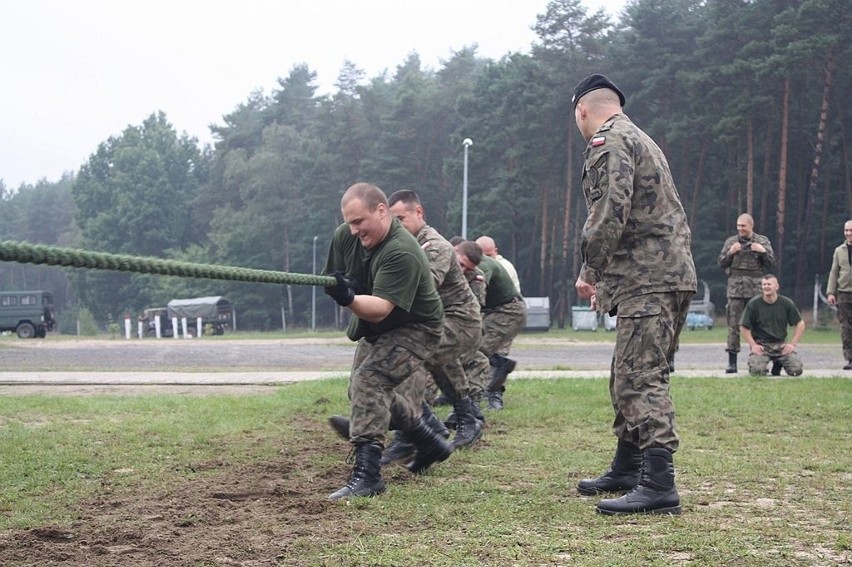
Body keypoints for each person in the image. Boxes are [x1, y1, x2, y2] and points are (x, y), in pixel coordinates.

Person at [571, 73, 696, 516]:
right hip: (661, 274)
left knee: (640, 378)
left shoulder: (611, 141)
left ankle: (659, 485)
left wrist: (591, 269)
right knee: (628, 372)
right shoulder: (640, 137)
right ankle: (628, 467)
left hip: (649, 278)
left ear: (582, 110)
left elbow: (609, 212)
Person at [322, 182, 453, 502]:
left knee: (370, 381)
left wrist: (348, 297)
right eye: (348, 222)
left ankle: (368, 476)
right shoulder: (345, 237)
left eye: (359, 222)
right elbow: (336, 277)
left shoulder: (402, 250)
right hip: (378, 328)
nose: (353, 231)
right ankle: (428, 441)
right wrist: (340, 287)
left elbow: (380, 309)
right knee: (361, 391)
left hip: (417, 327)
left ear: (382, 211)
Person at [386, 189, 484, 453]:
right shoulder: (403, 245)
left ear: (419, 213)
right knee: (433, 360)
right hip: (437, 320)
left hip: (461, 321)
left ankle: (412, 429)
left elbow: (421, 288)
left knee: (412, 355)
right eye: (392, 221)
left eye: (401, 218)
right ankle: (458, 419)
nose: (398, 226)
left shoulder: (435, 245)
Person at [455, 240, 526, 411]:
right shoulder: (462, 260)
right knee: (468, 350)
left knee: (477, 353)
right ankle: (458, 394)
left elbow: (475, 294)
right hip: (494, 311)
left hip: (507, 312)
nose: (464, 269)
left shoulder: (483, 267)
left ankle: (478, 400)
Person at [718, 213, 776, 373]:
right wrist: (730, 252)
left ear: (751, 225)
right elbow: (721, 263)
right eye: (738, 226)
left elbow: (771, 264)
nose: (740, 229)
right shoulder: (731, 242)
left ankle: (758, 361)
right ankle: (732, 363)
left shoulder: (762, 241)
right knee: (733, 326)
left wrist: (763, 251)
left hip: (756, 291)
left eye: (743, 226)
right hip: (735, 291)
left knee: (759, 326)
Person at [740, 274, 805, 376]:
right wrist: (753, 345)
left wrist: (792, 344)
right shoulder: (754, 304)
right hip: (762, 345)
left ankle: (778, 363)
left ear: (776, 287)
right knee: (757, 372)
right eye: (764, 284)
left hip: (781, 345)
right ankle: (763, 365)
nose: (766, 286)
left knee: (796, 370)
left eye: (769, 284)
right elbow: (743, 327)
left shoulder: (786, 303)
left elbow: (800, 323)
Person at [826, 220, 852, 370]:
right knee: (846, 328)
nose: (849, 234)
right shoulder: (839, 251)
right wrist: (831, 292)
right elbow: (834, 272)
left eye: (851, 230)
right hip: (844, 294)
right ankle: (850, 358)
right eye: (846, 230)